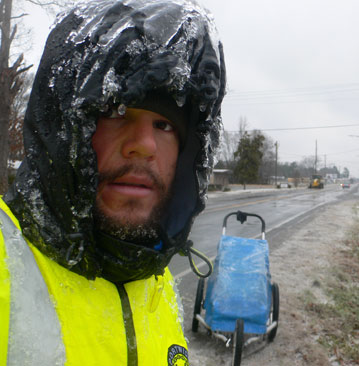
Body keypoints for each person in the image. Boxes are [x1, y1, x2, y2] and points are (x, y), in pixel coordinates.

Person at [0, 0, 225, 364]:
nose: (145, 145)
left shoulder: (152, 273)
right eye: (116, 111)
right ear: (63, 128)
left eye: (164, 125)